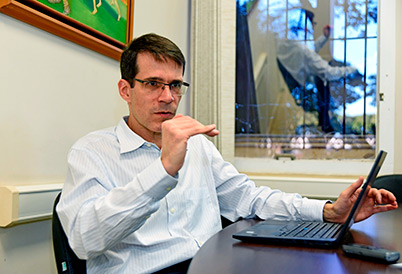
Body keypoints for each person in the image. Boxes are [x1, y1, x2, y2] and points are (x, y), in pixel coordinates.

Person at [57, 33, 398, 274]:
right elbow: (85, 241)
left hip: (212, 266)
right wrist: (163, 170)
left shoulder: (199, 147)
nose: (167, 97)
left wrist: (329, 211)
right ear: (125, 89)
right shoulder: (91, 152)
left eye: (175, 85)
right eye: (153, 84)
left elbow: (252, 199)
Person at [276, 9, 358, 132]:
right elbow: (329, 73)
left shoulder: (288, 42)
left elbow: (308, 51)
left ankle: (324, 122)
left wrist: (324, 37)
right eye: (313, 24)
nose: (313, 28)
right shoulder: (303, 50)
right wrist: (353, 69)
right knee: (326, 76)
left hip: (298, 84)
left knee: (324, 73)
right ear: (305, 26)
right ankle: (326, 126)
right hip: (307, 91)